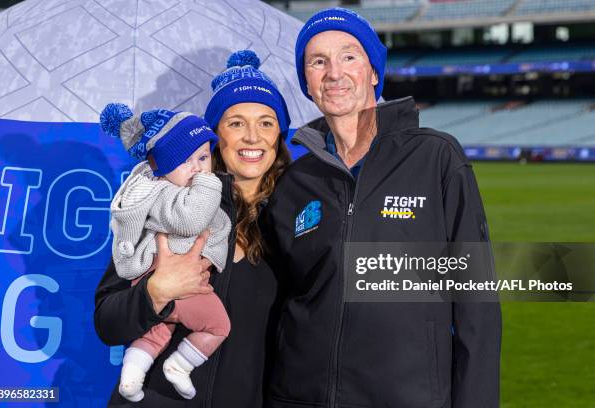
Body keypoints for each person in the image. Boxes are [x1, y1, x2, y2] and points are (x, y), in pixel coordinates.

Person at [262, 7, 502, 408]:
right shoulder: (294, 182)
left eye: (349, 56)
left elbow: (477, 302)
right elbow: (274, 303)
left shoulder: (435, 157)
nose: (334, 72)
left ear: (374, 72)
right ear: (307, 81)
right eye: (318, 61)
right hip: (299, 397)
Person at [94, 49, 291, 407]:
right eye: (235, 123)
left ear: (279, 135)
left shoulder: (297, 219)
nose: (252, 136)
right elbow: (107, 322)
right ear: (213, 138)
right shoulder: (165, 201)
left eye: (266, 122)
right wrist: (155, 291)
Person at [99, 105, 232, 402]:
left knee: (156, 333)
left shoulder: (173, 188)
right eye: (185, 161)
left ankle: (131, 379)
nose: (198, 168)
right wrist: (211, 184)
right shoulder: (164, 191)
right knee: (218, 325)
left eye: (203, 157)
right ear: (161, 168)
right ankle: (180, 365)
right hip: (165, 283)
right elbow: (193, 220)